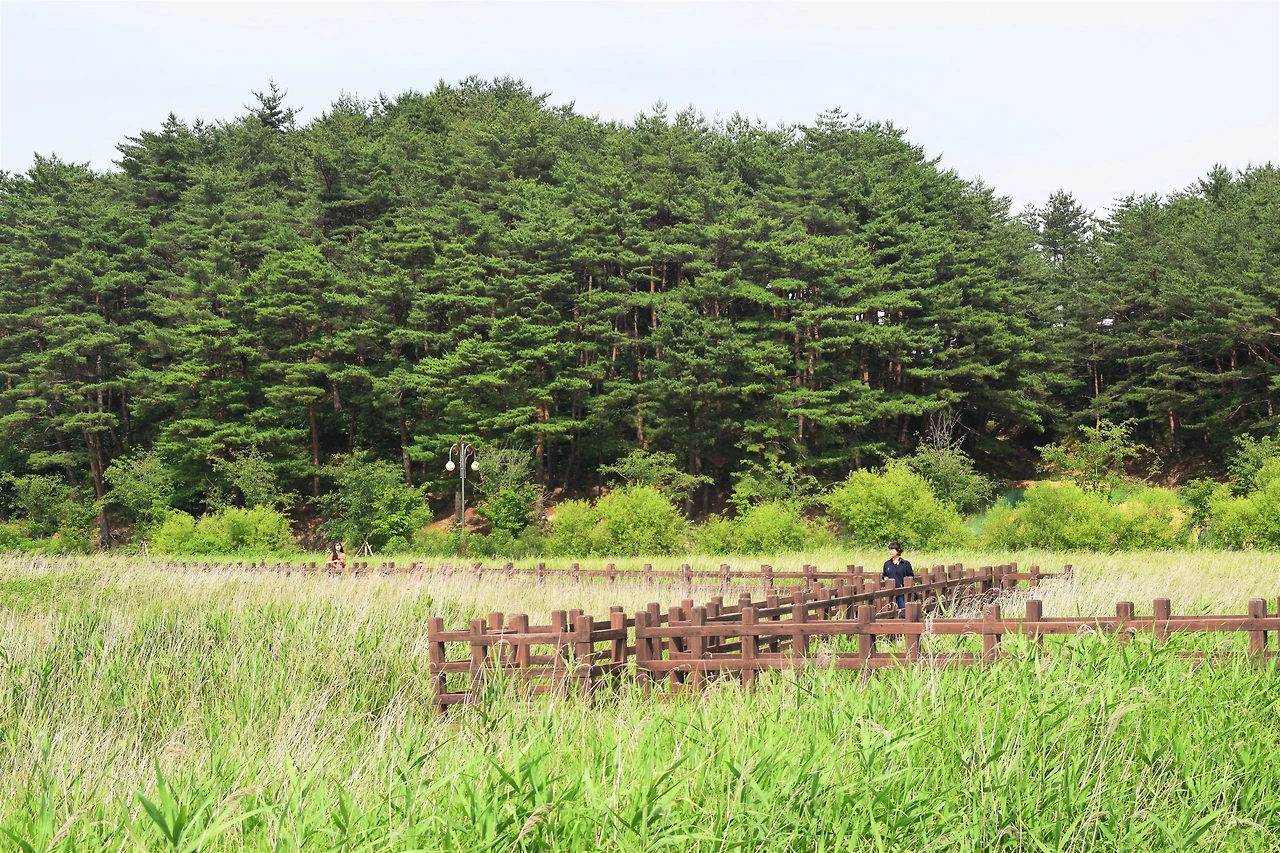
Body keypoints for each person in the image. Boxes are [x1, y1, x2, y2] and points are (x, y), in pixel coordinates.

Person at [882, 542, 914, 612]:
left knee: (903, 610)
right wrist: (885, 578)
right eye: (890, 550)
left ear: (898, 550)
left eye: (893, 549)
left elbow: (911, 576)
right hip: (890, 591)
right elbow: (884, 575)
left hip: (901, 591)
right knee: (889, 611)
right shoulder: (887, 564)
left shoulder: (905, 564)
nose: (890, 552)